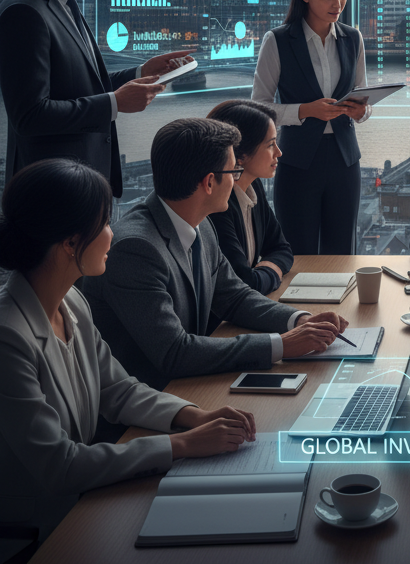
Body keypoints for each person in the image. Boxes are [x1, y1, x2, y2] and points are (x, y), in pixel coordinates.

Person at [0, 159, 257, 544]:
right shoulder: (8, 338)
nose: (112, 234)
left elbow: (118, 390)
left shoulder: (72, 302)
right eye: (105, 224)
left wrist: (195, 416)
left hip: (82, 504)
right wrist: (183, 444)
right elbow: (60, 466)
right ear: (70, 243)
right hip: (39, 532)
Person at [83, 118, 346, 392]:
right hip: (145, 404)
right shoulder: (135, 249)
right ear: (209, 182)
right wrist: (282, 345)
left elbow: (234, 297)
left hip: (191, 385)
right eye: (234, 172)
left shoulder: (200, 223)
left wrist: (298, 320)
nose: (236, 180)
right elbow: (175, 352)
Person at [0, 0, 193, 196]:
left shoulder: (62, 1)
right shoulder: (24, 12)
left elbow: (80, 85)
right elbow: (30, 115)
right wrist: (115, 104)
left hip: (82, 189)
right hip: (53, 196)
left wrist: (140, 71)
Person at [252, 0, 371, 255]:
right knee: (298, 252)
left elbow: (364, 97)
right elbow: (258, 108)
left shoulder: (353, 39)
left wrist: (362, 111)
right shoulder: (277, 41)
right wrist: (305, 110)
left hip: (346, 162)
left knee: (343, 252)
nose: (338, 4)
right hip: (297, 162)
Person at [205, 100, 294, 294]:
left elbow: (282, 248)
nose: (279, 152)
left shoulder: (253, 186)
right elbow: (244, 282)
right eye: (271, 145)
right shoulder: (218, 205)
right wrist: (271, 272)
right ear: (240, 155)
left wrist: (262, 274)